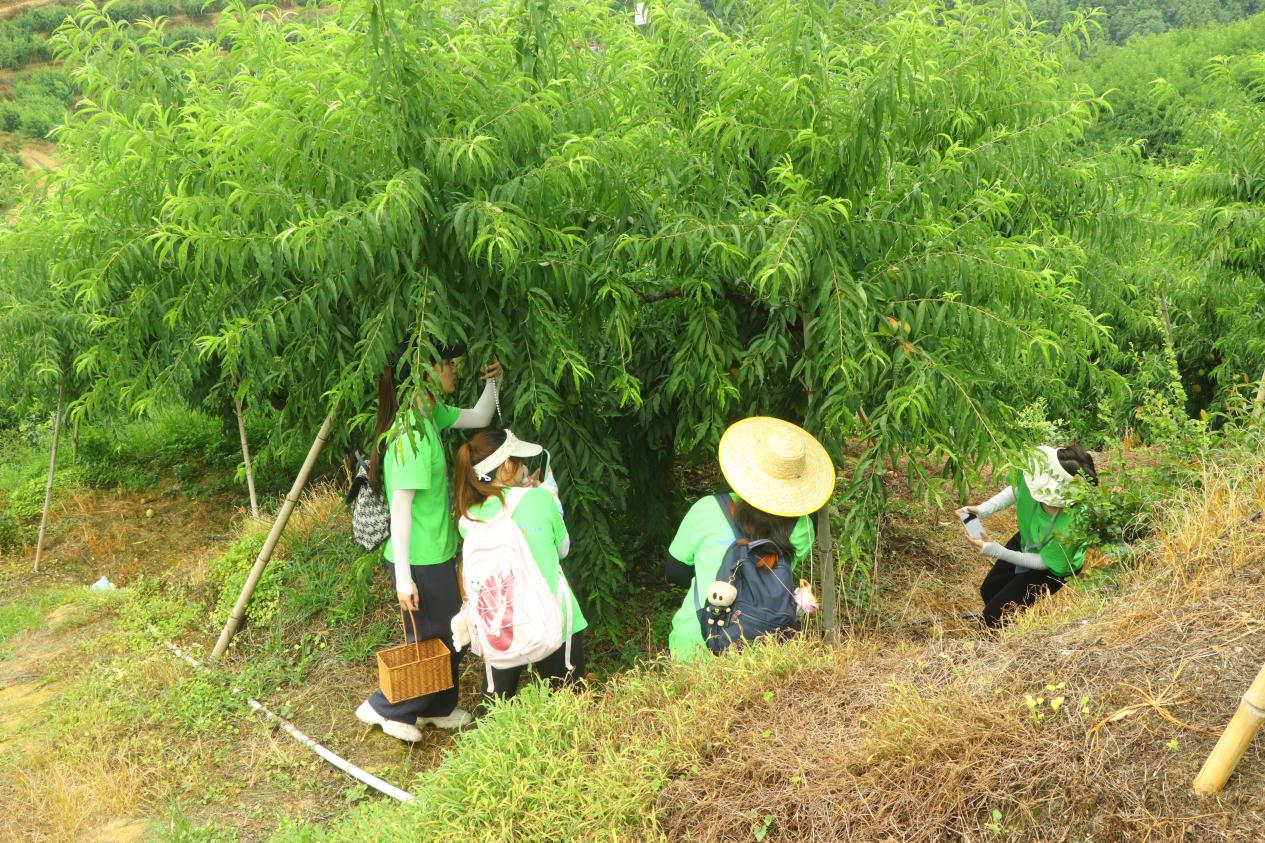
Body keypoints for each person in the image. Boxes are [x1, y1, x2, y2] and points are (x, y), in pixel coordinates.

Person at [355, 340, 503, 744]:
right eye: (447, 364)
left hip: (436, 551)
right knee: (431, 640)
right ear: (425, 373)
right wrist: (404, 578)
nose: (455, 369)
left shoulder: (428, 414)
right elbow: (400, 510)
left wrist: (494, 383)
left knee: (448, 634)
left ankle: (438, 707)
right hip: (418, 558)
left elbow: (480, 415)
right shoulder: (411, 435)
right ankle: (386, 706)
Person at [664, 416, 835, 662]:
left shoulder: (706, 509)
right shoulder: (803, 527)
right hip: (762, 644)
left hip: (696, 640)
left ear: (749, 468)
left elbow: (674, 572)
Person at [452, 428, 587, 703]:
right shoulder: (540, 499)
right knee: (568, 698)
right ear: (507, 466)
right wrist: (550, 498)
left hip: (499, 621)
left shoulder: (469, 516)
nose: (525, 466)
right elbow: (563, 550)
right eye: (520, 461)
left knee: (497, 702)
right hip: (552, 615)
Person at [957, 444, 1098, 628]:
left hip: (1052, 567)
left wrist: (997, 551)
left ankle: (1005, 636)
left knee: (994, 616)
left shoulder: (1077, 521)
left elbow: (1044, 562)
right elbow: (1018, 489)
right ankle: (1012, 622)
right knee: (989, 589)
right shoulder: (1039, 475)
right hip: (1028, 539)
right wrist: (982, 510)